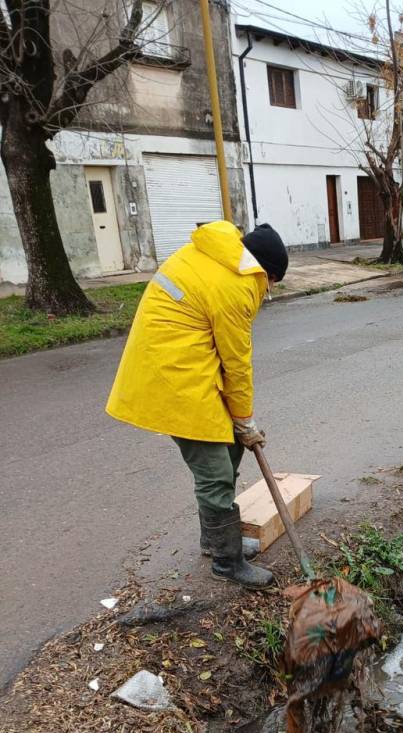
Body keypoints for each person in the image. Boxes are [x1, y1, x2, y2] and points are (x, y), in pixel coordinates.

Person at [106, 219, 288, 589]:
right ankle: (227, 560)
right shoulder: (237, 285)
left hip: (187, 365)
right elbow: (237, 362)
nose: (269, 291)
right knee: (215, 471)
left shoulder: (216, 257)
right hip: (172, 378)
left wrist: (239, 427)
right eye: (273, 284)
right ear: (265, 273)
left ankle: (215, 538)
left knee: (231, 446)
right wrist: (245, 420)